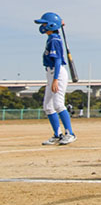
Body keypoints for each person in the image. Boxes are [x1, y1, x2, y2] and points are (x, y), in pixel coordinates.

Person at [35, 12, 76, 145]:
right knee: (48, 106)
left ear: (51, 25)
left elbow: (58, 61)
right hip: (51, 73)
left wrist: (55, 79)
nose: (43, 26)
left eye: (45, 23)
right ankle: (57, 134)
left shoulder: (54, 40)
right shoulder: (53, 37)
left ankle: (70, 133)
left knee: (58, 104)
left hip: (57, 73)